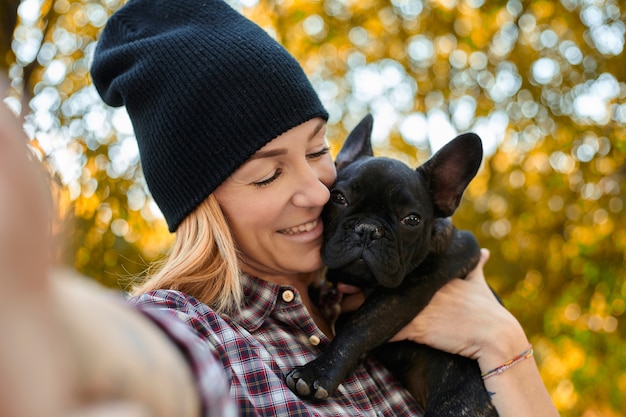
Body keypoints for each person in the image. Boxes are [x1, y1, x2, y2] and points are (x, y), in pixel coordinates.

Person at [0, 0, 560, 415]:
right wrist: (41, 320)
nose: (319, 192)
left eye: (319, 151)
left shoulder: (380, 294)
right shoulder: (206, 334)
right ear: (205, 205)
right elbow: (156, 364)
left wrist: (500, 340)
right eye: (268, 173)